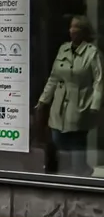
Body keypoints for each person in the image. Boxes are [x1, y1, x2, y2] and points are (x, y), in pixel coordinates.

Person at [37, 15, 104, 176]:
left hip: (80, 106)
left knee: (76, 147)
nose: (72, 31)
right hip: (58, 108)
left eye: (77, 28)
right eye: (71, 27)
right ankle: (68, 175)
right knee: (58, 141)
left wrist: (95, 105)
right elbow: (53, 78)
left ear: (85, 32)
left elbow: (99, 80)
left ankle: (80, 175)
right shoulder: (63, 49)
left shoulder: (92, 53)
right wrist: (43, 100)